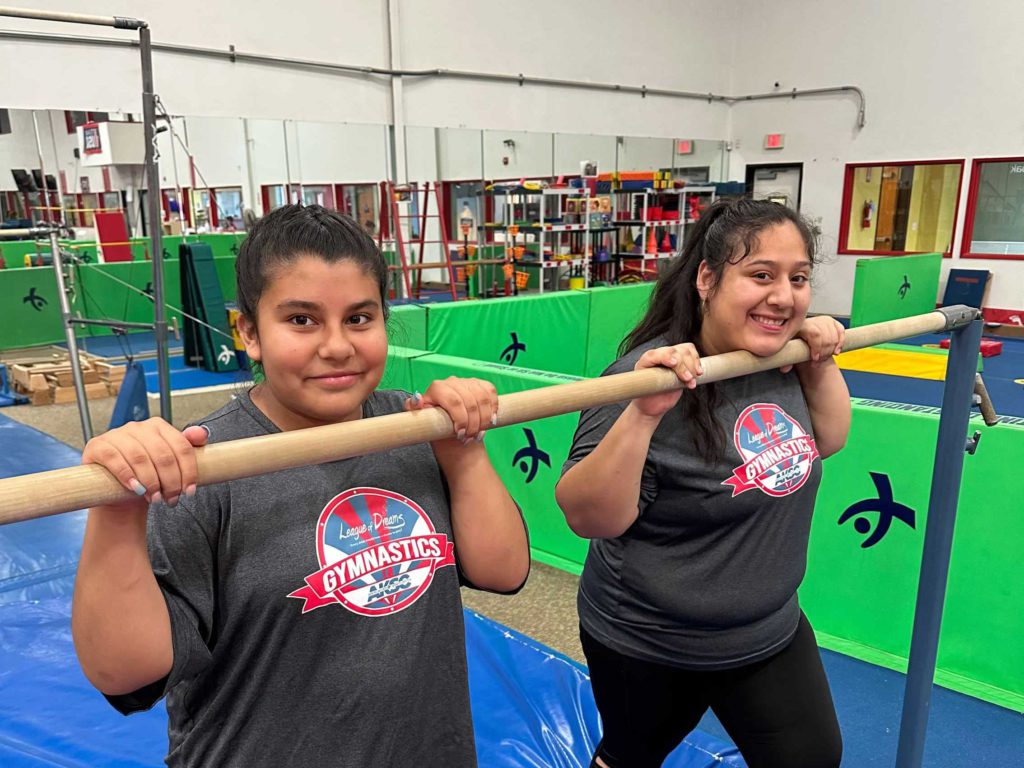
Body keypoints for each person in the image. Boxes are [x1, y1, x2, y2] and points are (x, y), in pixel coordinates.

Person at [72, 204, 530, 767]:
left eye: (359, 318)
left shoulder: (414, 427)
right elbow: (126, 675)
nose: (337, 346)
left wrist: (464, 447)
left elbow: (504, 572)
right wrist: (117, 510)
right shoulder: (204, 468)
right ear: (249, 332)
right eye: (302, 320)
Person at [555, 198, 849, 768]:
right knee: (630, 757)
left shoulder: (781, 358)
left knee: (812, 758)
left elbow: (827, 440)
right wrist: (643, 414)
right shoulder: (642, 378)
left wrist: (820, 360)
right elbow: (589, 518)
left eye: (798, 278)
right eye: (760, 275)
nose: (783, 297)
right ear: (708, 280)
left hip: (767, 631)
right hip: (649, 640)